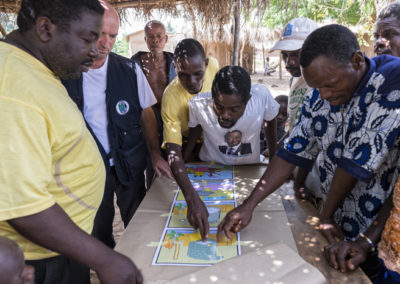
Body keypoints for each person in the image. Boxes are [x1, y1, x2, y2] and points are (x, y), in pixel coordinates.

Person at [218, 24, 400, 280]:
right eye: (317, 87)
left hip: (380, 238)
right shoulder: (318, 95)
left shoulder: (390, 81)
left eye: (329, 85)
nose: (324, 95)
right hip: (339, 233)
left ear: (357, 60)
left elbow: (355, 160)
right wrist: (248, 206)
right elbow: (292, 151)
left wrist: (355, 234)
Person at [0, 0, 142, 283]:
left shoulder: (32, 67)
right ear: (45, 29)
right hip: (39, 261)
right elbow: (24, 206)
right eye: (88, 38)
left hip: (60, 248)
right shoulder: (11, 87)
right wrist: (103, 258)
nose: (95, 50)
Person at [63, 1, 172, 249]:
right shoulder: (65, 73)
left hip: (129, 162)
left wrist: (154, 153)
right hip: (87, 170)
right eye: (100, 34)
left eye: (112, 36)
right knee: (97, 229)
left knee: (139, 223)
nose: (106, 42)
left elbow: (146, 114)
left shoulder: (129, 70)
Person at [162, 38, 219, 241]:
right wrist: (192, 199)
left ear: (206, 63)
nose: (193, 82)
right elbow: (173, 151)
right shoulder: (170, 97)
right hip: (187, 147)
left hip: (213, 141)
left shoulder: (214, 66)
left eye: (198, 74)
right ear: (174, 68)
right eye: (183, 75)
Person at [270, 17, 320, 201]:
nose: (289, 63)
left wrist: (298, 182)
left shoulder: (322, 87)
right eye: (285, 55)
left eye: (295, 55)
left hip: (315, 181)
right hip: (299, 174)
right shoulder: (295, 80)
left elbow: (313, 141)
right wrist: (277, 149)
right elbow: (296, 125)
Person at [187, 65, 278, 165]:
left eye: (234, 109)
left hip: (249, 168)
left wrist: (274, 158)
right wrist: (184, 157)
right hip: (211, 166)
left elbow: (270, 118)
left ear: (247, 99)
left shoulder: (261, 97)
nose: (225, 115)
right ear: (212, 97)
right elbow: (195, 128)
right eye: (219, 107)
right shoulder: (198, 104)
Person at [131, 20, 176, 188]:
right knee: (153, 162)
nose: (155, 40)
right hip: (147, 120)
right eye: (150, 37)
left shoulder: (174, 63)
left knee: (175, 160)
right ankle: (154, 195)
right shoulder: (135, 64)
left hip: (171, 119)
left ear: (165, 39)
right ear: (145, 40)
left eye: (159, 36)